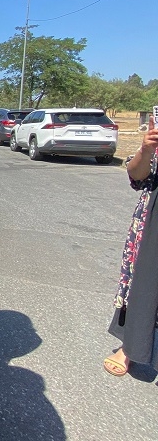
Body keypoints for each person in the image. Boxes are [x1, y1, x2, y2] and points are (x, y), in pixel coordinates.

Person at [105, 114, 158, 377]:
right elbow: (137, 176)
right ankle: (131, 346)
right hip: (153, 221)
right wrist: (146, 149)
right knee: (144, 285)